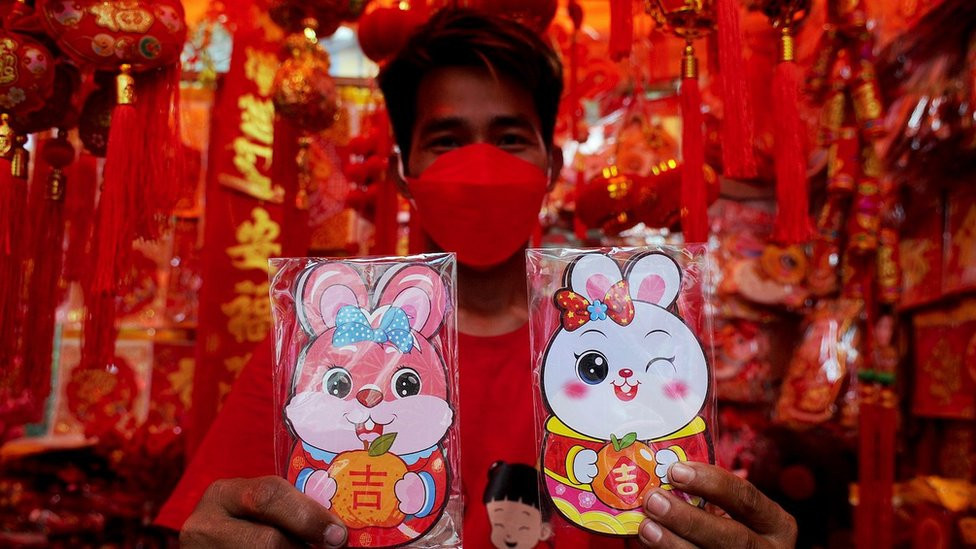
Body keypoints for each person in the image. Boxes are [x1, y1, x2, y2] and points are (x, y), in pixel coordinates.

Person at [158, 9, 798, 549]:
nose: (481, 165)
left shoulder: (637, 351)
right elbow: (218, 521)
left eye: (510, 137)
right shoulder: (315, 358)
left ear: (550, 161)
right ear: (405, 168)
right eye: (447, 139)